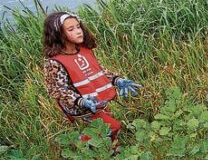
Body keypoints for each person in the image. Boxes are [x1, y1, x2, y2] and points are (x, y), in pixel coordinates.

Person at [43, 12, 141, 143]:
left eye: (78, 27)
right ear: (58, 34)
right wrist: (81, 101)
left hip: (95, 98)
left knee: (103, 125)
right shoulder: (54, 63)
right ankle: (83, 143)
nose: (78, 32)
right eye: (71, 29)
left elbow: (98, 71)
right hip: (80, 104)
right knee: (113, 126)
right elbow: (58, 91)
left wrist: (118, 80)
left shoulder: (84, 50)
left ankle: (109, 146)